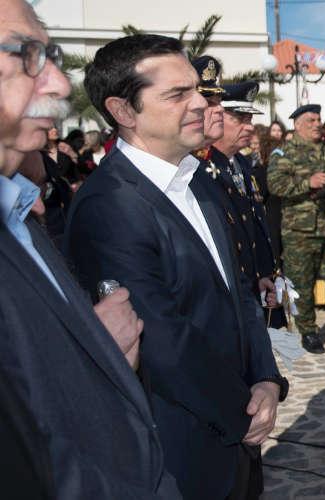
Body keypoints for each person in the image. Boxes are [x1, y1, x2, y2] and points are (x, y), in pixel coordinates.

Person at [67, 34, 289, 499]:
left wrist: (268, 379)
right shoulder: (109, 205)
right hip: (179, 451)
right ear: (124, 111)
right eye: (177, 94)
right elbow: (162, 339)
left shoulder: (201, 183)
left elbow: (240, 292)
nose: (201, 104)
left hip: (239, 436)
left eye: (198, 90)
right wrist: (243, 412)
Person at [0, 4, 186, 496]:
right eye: (28, 55)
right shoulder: (101, 202)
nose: (60, 84)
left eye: (52, 55)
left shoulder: (19, 212)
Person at [268, 103, 325, 354]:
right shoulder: (284, 152)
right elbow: (275, 185)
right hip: (300, 231)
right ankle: (308, 331)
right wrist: (307, 182)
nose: (318, 124)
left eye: (319, 119)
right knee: (302, 283)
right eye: (311, 120)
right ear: (297, 125)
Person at [198, 80, 287, 331]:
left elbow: (256, 225)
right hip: (229, 295)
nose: (249, 127)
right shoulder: (201, 168)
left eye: (250, 119)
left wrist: (265, 274)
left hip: (255, 287)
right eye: (240, 119)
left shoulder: (242, 164)